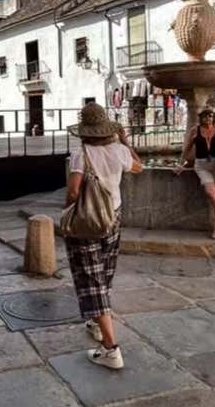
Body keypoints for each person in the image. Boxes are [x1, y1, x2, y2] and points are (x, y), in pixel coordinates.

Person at [65, 103, 142, 370]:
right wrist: (125, 141)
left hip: (87, 221)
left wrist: (67, 212)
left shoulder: (81, 154)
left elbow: (74, 192)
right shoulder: (119, 151)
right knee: (104, 272)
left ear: (85, 131)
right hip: (113, 218)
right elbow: (139, 167)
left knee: (90, 278)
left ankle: (111, 349)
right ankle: (96, 322)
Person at [175, 106, 215, 239]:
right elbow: (187, 149)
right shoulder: (195, 130)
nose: (208, 118)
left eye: (210, 116)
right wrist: (180, 164)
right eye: (205, 116)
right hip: (202, 165)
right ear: (200, 117)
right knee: (211, 192)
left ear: (214, 118)